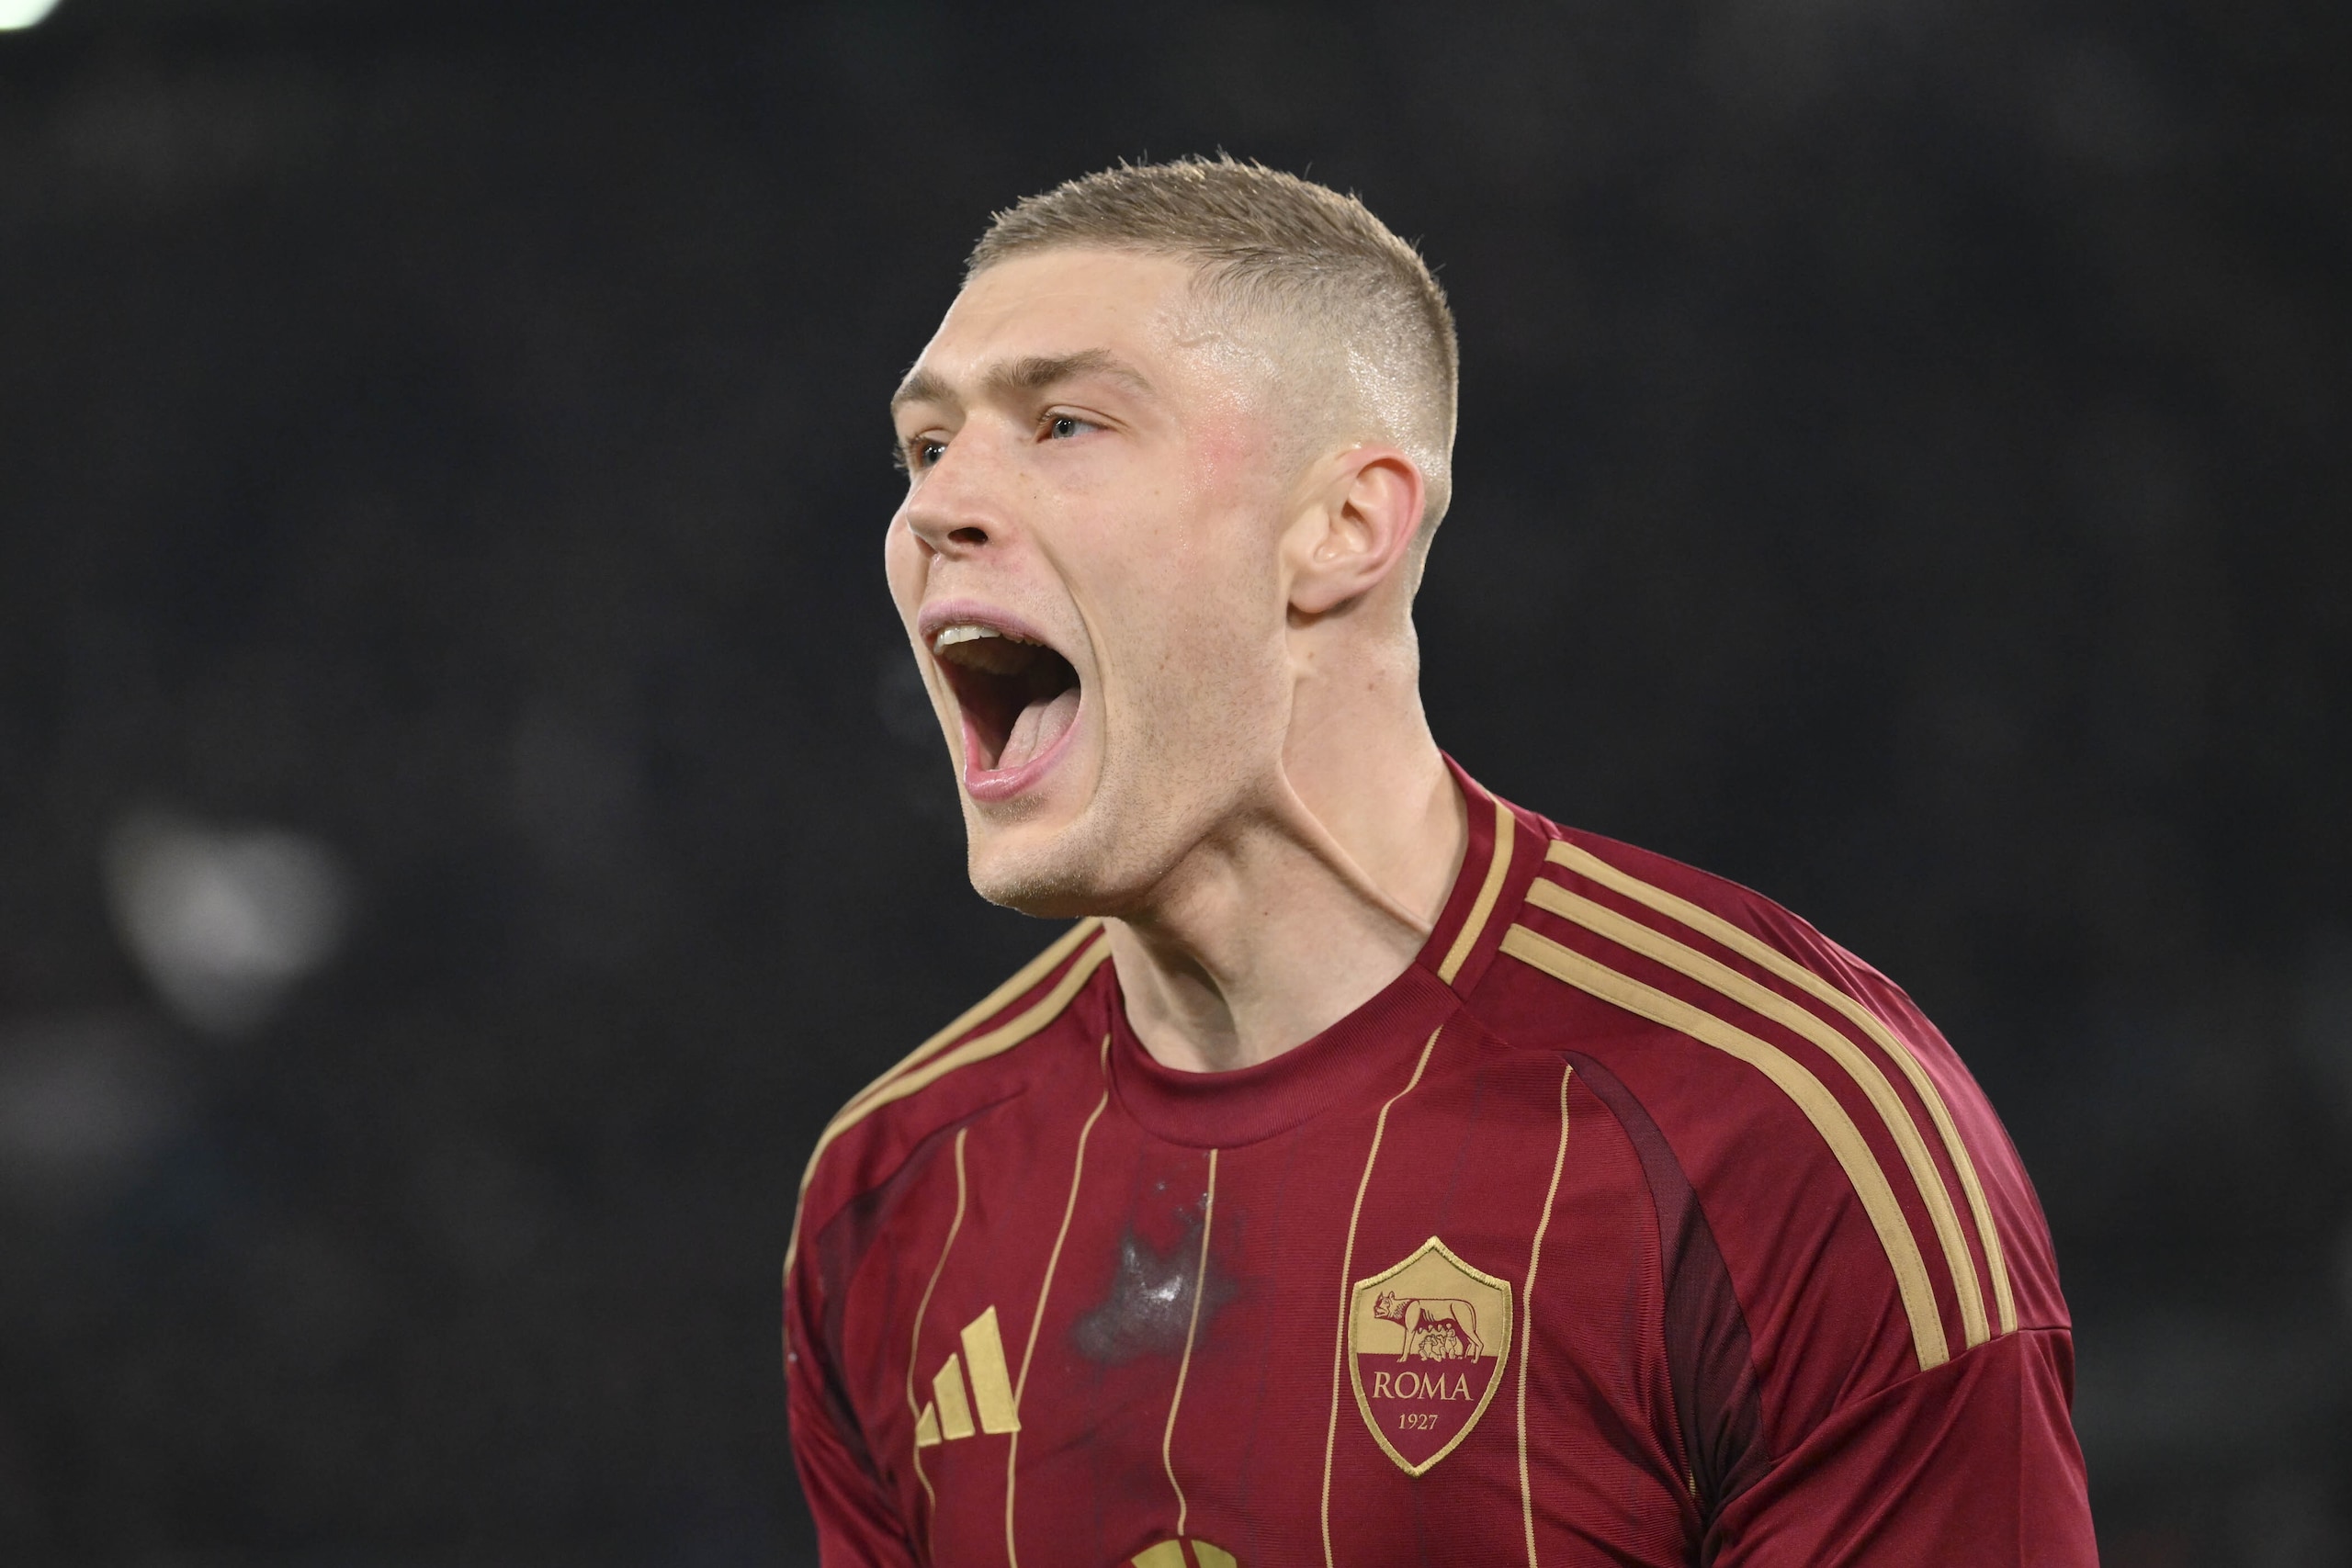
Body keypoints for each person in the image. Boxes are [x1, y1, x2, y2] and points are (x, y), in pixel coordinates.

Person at [784, 156, 2094, 1568]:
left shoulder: (1782, 1132)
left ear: (1345, 525)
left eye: (1064, 423)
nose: (937, 510)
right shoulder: (893, 1198)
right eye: (926, 449)